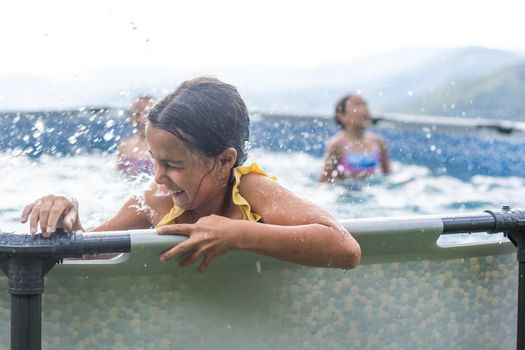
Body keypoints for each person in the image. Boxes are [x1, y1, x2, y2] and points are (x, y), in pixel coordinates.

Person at [20, 77, 360, 273]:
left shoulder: (251, 190)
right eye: (155, 161)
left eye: (173, 165)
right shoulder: (155, 202)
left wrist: (240, 234)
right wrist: (68, 216)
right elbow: (92, 252)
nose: (157, 178)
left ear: (226, 160)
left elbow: (346, 249)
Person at [319, 94, 391, 183]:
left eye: (365, 104)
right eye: (358, 104)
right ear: (342, 116)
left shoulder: (378, 141)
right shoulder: (337, 145)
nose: (365, 108)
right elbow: (324, 181)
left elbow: (388, 175)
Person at [117, 95, 156, 176]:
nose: (141, 119)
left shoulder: (164, 147)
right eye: (138, 114)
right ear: (132, 118)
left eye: (147, 114)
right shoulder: (125, 146)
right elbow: (117, 178)